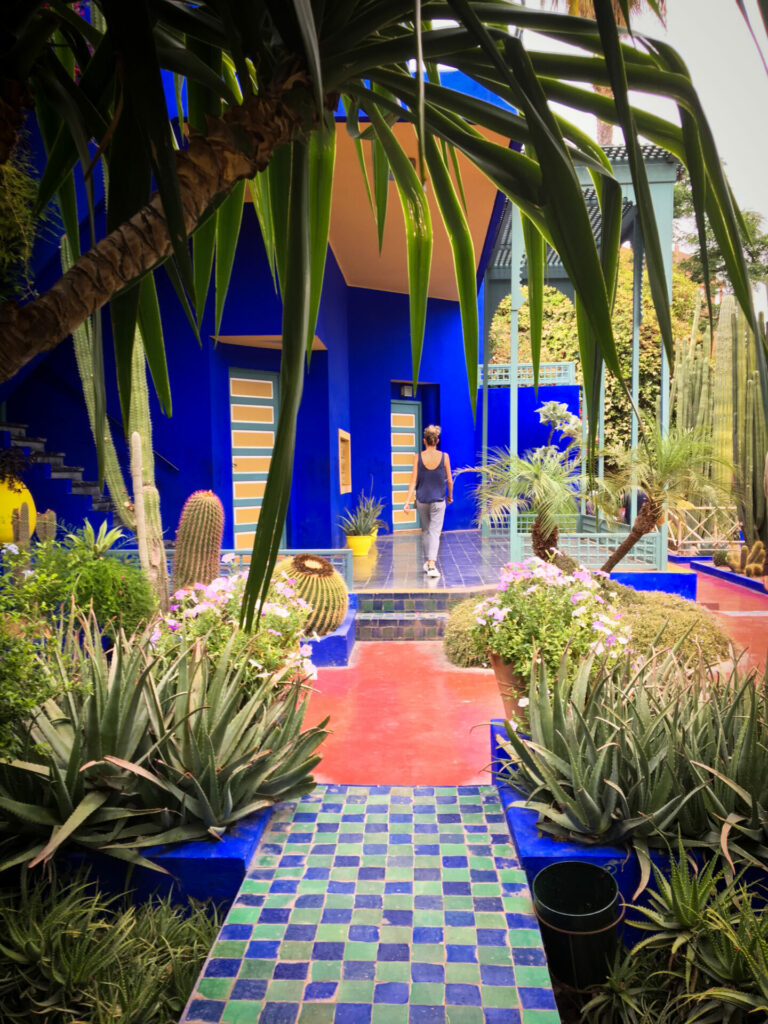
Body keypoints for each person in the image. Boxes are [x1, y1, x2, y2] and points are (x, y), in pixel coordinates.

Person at [403, 424, 453, 578]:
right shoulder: (445, 457)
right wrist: (450, 496)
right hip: (438, 500)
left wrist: (406, 502)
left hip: (422, 500)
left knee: (426, 531)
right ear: (437, 440)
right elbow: (449, 480)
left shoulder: (417, 457)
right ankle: (431, 564)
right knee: (435, 532)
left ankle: (428, 562)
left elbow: (413, 481)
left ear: (424, 440)